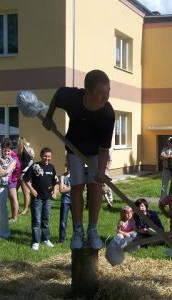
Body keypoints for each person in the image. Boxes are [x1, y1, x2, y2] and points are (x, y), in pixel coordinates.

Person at [43, 69, 115, 250]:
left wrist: (101, 170)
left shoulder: (107, 112)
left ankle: (92, 230)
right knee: (76, 186)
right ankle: (77, 231)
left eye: (108, 91)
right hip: (74, 146)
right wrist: (49, 117)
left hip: (95, 151)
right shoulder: (72, 98)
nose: (105, 96)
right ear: (88, 92)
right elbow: (58, 94)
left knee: (95, 184)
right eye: (100, 92)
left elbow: (105, 148)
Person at [23, 147, 58, 251]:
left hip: (47, 198)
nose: (47, 158)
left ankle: (46, 239)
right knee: (36, 221)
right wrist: (32, 190)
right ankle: (35, 241)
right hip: (37, 198)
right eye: (45, 156)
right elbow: (25, 179)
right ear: (41, 156)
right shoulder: (35, 166)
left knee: (45, 220)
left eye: (49, 157)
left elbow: (55, 181)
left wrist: (55, 192)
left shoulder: (51, 167)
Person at [2, 137, 21, 222]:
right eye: (5, 150)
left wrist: (13, 178)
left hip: (11, 181)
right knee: (6, 199)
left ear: (11, 151)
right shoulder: (0, 157)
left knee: (13, 198)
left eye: (8, 151)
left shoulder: (13, 159)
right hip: (2, 181)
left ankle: (14, 217)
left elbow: (17, 168)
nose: (6, 152)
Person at [17, 137, 35, 215]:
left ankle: (26, 209)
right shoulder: (20, 151)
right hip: (19, 173)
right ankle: (17, 207)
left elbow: (28, 162)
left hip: (24, 173)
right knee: (14, 190)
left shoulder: (26, 151)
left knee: (25, 192)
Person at [58, 161, 71, 243]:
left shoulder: (76, 176)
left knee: (76, 221)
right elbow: (61, 190)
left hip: (75, 201)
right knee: (63, 221)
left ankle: (77, 237)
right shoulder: (62, 176)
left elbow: (80, 188)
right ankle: (62, 239)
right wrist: (72, 187)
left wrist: (67, 187)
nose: (69, 167)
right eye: (67, 165)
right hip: (65, 201)